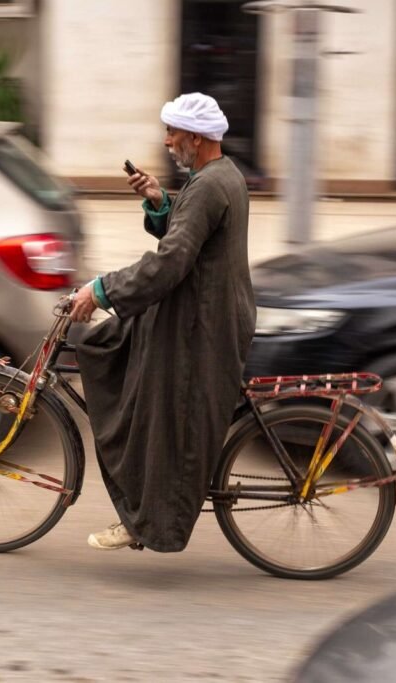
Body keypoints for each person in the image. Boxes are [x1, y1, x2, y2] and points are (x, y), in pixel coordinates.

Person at [69, 92, 256, 552]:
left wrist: (101, 290)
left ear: (195, 136)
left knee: (160, 418)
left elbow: (171, 262)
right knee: (109, 349)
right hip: (196, 313)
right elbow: (191, 237)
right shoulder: (217, 176)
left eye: (172, 132)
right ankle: (142, 507)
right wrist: (158, 201)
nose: (167, 141)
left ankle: (151, 522)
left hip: (201, 327)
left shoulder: (210, 185)